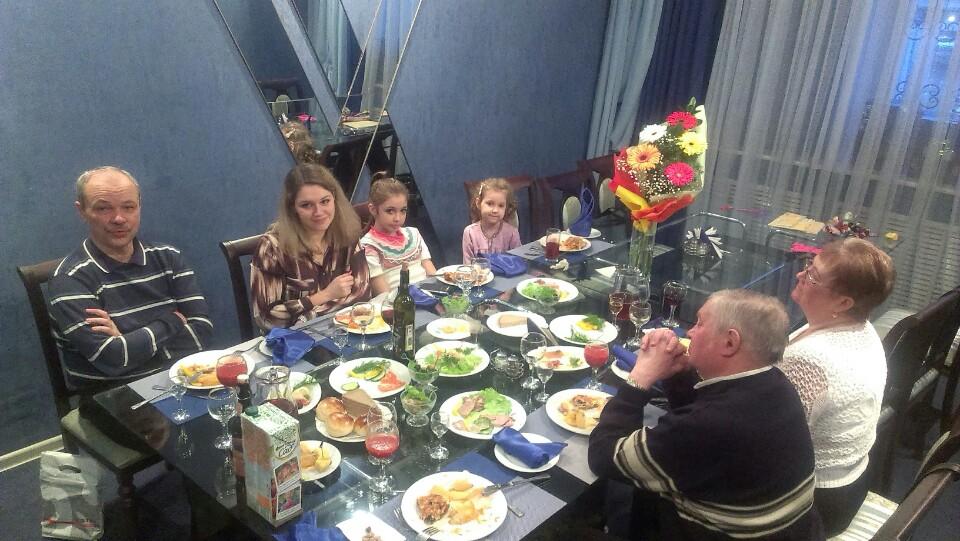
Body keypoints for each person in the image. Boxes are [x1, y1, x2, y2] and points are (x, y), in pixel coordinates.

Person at [589, 290, 823, 540]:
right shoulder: (777, 385)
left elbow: (603, 456)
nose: (690, 332)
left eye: (700, 323)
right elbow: (698, 425)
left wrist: (639, 377)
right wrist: (678, 375)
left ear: (730, 342)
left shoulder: (712, 424)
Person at [48, 166, 212, 448]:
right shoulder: (69, 280)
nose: (118, 218)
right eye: (103, 208)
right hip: (112, 396)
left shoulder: (169, 257)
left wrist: (127, 337)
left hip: (177, 378)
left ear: (139, 207)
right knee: (193, 436)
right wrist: (172, 321)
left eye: (128, 206)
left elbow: (203, 330)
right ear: (82, 211)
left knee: (245, 407)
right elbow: (112, 359)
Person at [777, 238, 895, 535]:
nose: (800, 275)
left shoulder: (810, 361)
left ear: (843, 303)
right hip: (850, 484)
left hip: (814, 505)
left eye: (813, 276)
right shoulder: (862, 327)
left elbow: (773, 443)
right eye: (808, 266)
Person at [251, 163, 370, 330]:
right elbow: (267, 318)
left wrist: (308, 316)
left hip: (343, 332)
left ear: (335, 199)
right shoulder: (272, 248)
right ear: (292, 208)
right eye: (306, 205)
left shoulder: (347, 233)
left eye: (325, 201)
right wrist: (324, 295)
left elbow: (362, 294)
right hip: (293, 340)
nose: (318, 212)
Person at [360, 173, 437, 296]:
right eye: (390, 211)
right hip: (397, 302)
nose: (397, 218)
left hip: (429, 295)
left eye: (403, 210)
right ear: (373, 209)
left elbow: (431, 273)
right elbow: (383, 294)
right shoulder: (368, 245)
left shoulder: (414, 233)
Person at [461, 178, 521, 263]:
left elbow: (518, 262)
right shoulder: (470, 233)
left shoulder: (512, 233)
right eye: (489, 204)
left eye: (501, 205)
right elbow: (468, 265)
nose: (495, 210)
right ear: (478, 203)